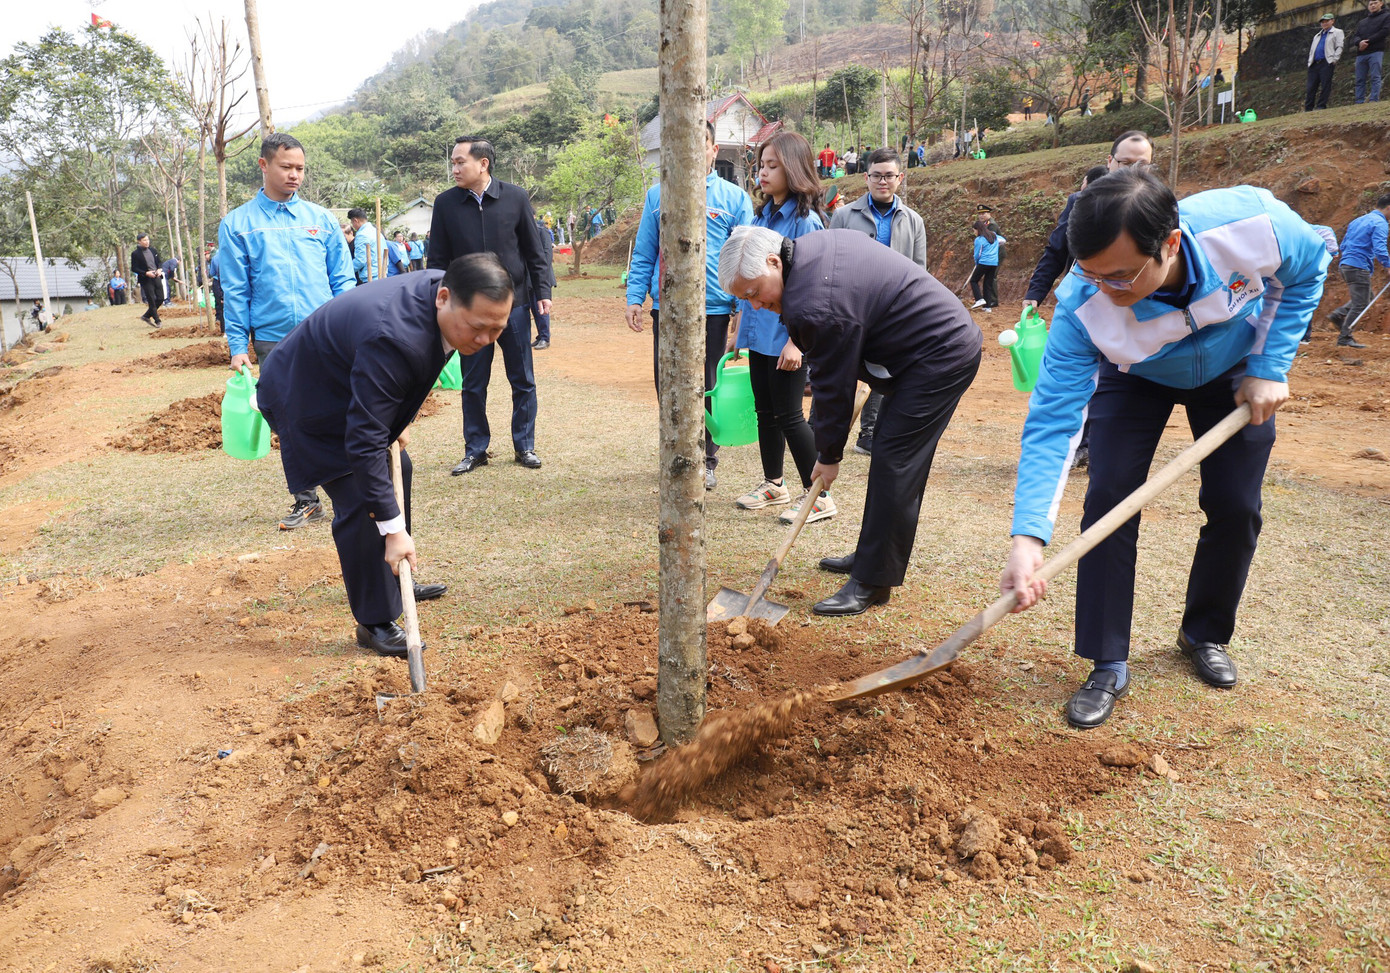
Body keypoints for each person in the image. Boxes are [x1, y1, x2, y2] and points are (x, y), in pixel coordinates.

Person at [999, 168, 1331, 729]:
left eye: (1121, 275)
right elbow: (1053, 421)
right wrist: (1028, 536)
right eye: (1091, 273)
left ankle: (1204, 633)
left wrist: (1270, 365)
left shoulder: (1252, 224)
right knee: (1108, 498)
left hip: (1235, 367)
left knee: (1236, 505)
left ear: (1170, 243)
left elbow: (1308, 269)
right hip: (1135, 375)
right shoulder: (1083, 305)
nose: (1106, 289)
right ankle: (1107, 659)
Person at [256, 255, 512, 658]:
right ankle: (375, 619)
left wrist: (395, 416)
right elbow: (364, 442)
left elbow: (401, 379)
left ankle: (395, 574)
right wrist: (392, 530)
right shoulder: (395, 336)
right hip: (306, 393)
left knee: (397, 468)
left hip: (348, 379)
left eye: (497, 329)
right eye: (478, 327)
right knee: (360, 493)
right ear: (444, 298)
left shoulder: (448, 298)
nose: (485, 339)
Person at [719, 226, 982, 616]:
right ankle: (871, 556)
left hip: (939, 353)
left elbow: (832, 387)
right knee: (890, 457)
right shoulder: (808, 252)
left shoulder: (813, 303)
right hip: (918, 351)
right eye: (745, 300)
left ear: (774, 262)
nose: (756, 305)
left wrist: (828, 455)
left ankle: (873, 581)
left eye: (755, 292)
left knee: (895, 462)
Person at [220, 132, 358, 530]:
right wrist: (237, 345)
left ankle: (353, 489)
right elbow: (235, 289)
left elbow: (342, 279)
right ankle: (307, 499)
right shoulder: (238, 224)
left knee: (342, 408)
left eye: (300, 168)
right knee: (290, 419)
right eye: (286, 167)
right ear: (264, 165)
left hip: (326, 334)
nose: (295, 175)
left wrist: (351, 326)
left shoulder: (321, 219)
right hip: (273, 338)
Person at [625, 121, 755, 491]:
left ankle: (706, 460)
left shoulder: (734, 199)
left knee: (707, 384)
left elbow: (745, 259)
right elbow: (646, 251)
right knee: (666, 381)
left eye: (702, 144)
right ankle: (675, 452)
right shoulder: (657, 196)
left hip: (714, 310)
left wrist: (741, 308)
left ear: (714, 150)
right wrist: (635, 297)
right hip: (666, 309)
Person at [428, 136, 552, 474]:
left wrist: (543, 291)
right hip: (468, 311)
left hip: (513, 305)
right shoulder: (445, 204)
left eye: (460, 162)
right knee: (473, 382)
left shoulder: (515, 197)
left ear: (483, 164)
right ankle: (476, 449)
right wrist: (437, 301)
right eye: (453, 163)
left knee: (522, 378)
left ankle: (525, 446)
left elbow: (534, 251)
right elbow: (436, 259)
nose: (454, 169)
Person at [732, 131, 833, 524]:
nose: (763, 172)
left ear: (794, 168)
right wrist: (740, 331)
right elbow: (750, 281)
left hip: (789, 335)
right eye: (761, 165)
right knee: (765, 411)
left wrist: (796, 342)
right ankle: (774, 483)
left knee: (790, 415)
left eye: (773, 166)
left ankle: (819, 496)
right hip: (759, 331)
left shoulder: (807, 223)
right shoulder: (760, 218)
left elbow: (817, 286)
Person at [830, 146, 930, 455]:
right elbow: (830, 263)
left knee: (882, 369)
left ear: (900, 178)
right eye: (876, 176)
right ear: (866, 178)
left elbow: (919, 271)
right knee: (841, 368)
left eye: (889, 176)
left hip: (893, 311)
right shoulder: (844, 216)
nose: (882, 181)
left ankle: (869, 433)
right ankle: (823, 429)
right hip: (851, 308)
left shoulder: (914, 221)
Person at [1329, 193, 1390, 348]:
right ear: (1389, 208)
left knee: (1367, 297)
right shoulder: (1380, 223)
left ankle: (1339, 314)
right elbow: (1380, 248)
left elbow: (1344, 244)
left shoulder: (1358, 220)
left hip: (1346, 264)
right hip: (1358, 266)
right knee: (1360, 304)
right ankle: (1344, 338)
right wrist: (1388, 265)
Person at [1349, 0, 1388, 103]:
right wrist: (1359, 43)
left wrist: (1368, 41)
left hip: (1376, 51)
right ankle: (1359, 101)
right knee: (1359, 79)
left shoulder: (1386, 16)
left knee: (1375, 76)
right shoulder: (1362, 22)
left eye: (1375, 3)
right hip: (1361, 53)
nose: (1373, 5)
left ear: (1381, 3)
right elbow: (1356, 36)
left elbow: (1384, 31)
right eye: (1371, 4)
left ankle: (1374, 100)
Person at [1306, 13, 1346, 110]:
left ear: (1332, 21)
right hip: (1314, 64)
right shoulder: (1317, 35)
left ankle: (1321, 106)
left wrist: (1334, 60)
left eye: (1326, 21)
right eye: (1322, 22)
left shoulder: (1337, 32)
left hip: (1326, 62)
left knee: (1325, 86)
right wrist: (1310, 61)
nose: (1324, 23)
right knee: (1311, 87)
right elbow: (1312, 50)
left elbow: (1339, 47)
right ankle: (1308, 108)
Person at [968, 220, 1003, 312]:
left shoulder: (979, 239)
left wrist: (977, 263)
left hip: (984, 262)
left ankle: (979, 299)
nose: (974, 232)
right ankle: (987, 307)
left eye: (974, 230)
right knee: (988, 284)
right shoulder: (994, 235)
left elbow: (977, 254)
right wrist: (997, 245)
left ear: (978, 229)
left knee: (973, 280)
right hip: (994, 263)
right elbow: (1003, 240)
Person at [530, 225, 556, 351]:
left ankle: (545, 338)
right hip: (530, 279)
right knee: (535, 309)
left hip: (542, 279)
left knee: (542, 309)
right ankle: (541, 335)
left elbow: (547, 256)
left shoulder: (542, 232)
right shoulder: (525, 232)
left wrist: (540, 275)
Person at [130, 233, 164, 326]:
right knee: (151, 300)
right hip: (146, 279)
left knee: (160, 298)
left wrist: (159, 269)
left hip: (156, 276)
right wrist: (146, 273)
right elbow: (134, 268)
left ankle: (146, 316)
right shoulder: (135, 254)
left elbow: (159, 262)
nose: (147, 242)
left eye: (147, 240)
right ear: (139, 241)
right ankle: (157, 320)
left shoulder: (153, 250)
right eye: (144, 240)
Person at [348, 209, 384, 283]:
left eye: (352, 222)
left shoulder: (362, 235)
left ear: (355, 220)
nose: (353, 226)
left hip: (370, 277)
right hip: (381, 274)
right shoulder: (376, 231)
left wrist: (345, 270)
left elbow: (360, 260)